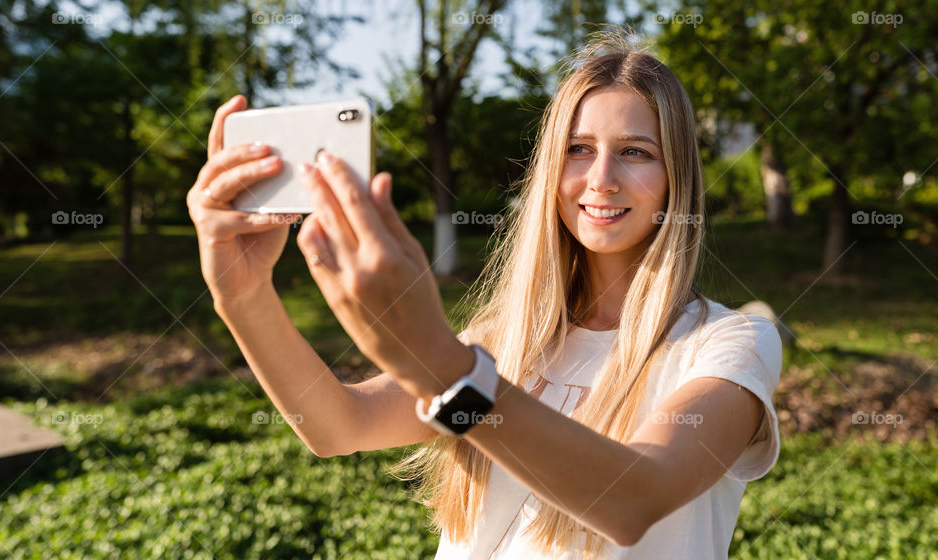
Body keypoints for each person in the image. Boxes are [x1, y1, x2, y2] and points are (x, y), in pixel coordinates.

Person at [186, 29, 782, 559]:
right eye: (578, 149)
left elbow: (631, 500)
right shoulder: (506, 341)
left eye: (636, 152)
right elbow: (338, 426)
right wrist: (240, 295)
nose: (601, 177)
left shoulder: (728, 345)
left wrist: (434, 359)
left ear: (676, 177)